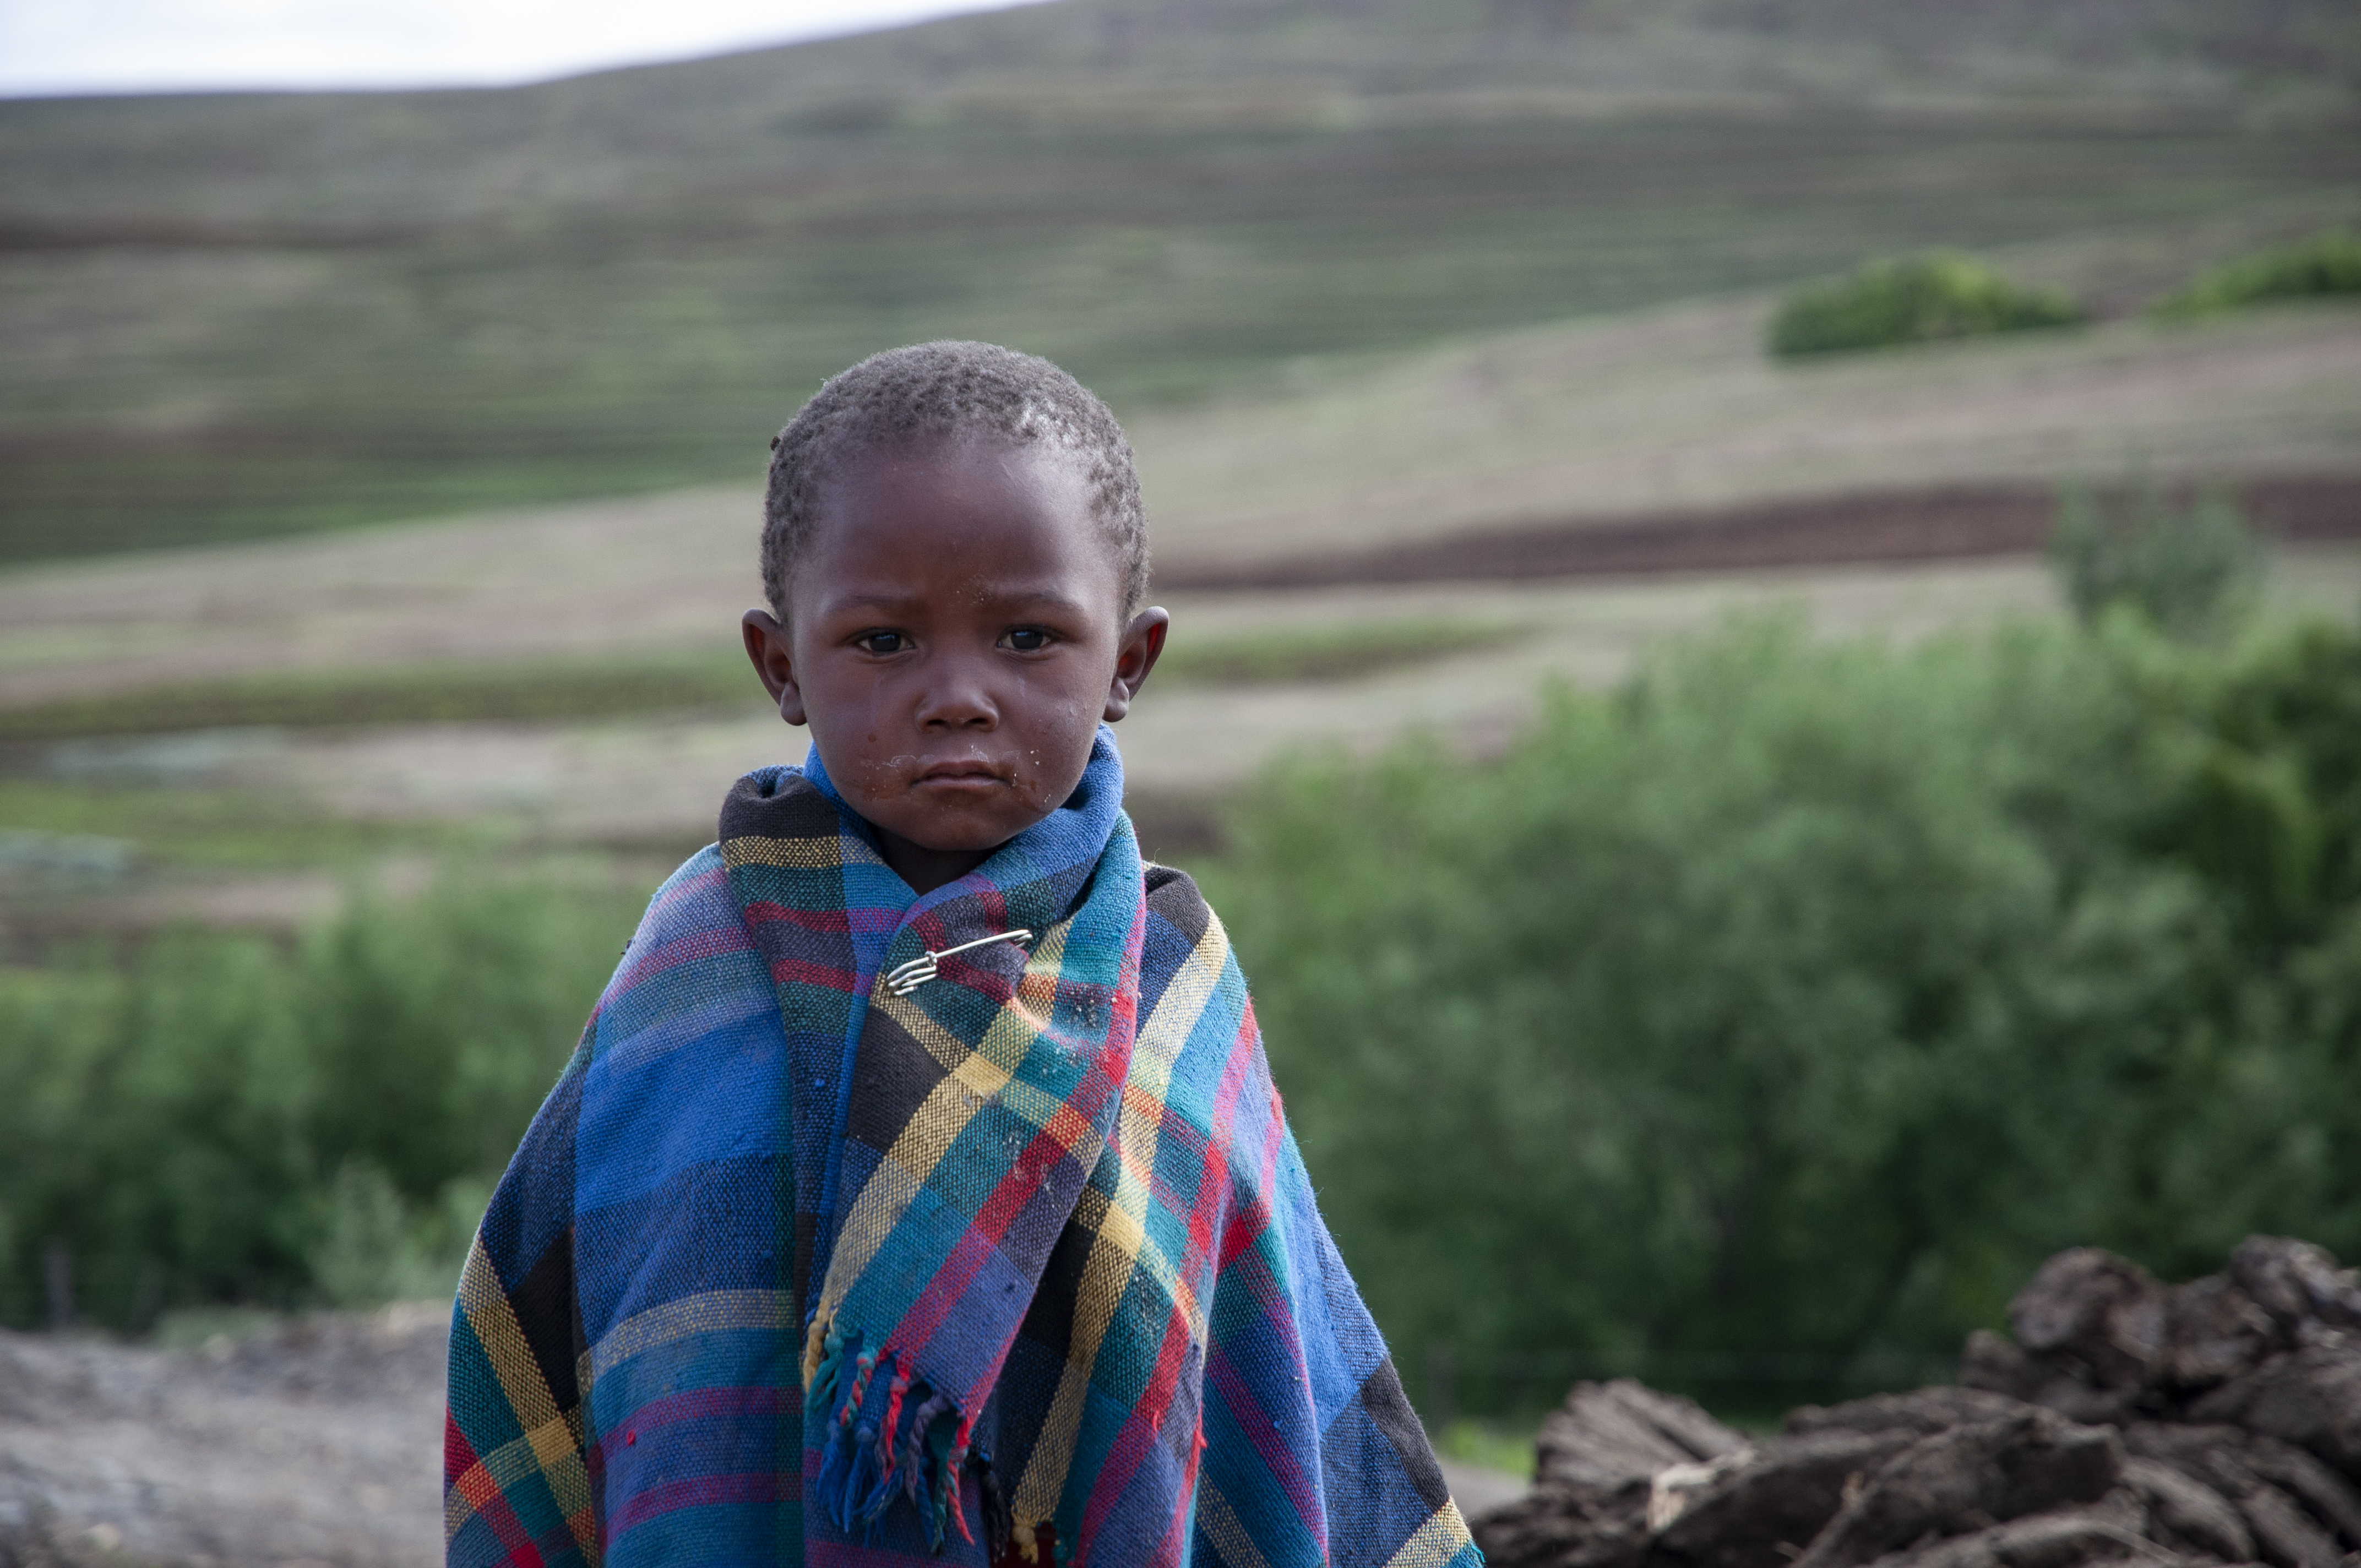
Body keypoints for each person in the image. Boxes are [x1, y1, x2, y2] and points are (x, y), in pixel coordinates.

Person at [442, 342, 1481, 1567]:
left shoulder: (1164, 990)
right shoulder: (694, 972)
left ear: (1128, 663)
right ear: (781, 665)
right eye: (882, 642)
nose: (956, 695)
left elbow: (1258, 1358)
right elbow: (575, 1312)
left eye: (1028, 636)